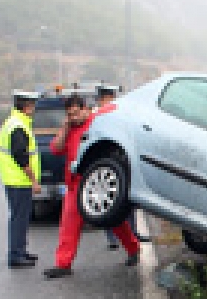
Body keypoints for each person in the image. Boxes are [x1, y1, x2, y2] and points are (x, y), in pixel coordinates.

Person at [43, 94, 139, 279]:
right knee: (68, 225)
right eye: (70, 115)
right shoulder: (70, 129)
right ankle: (63, 264)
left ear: (86, 109)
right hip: (74, 185)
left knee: (113, 221)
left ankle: (133, 249)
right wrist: (65, 127)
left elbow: (116, 110)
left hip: (97, 182)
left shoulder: (98, 123)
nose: (74, 117)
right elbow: (56, 148)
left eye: (77, 113)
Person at [94, 83, 152, 248]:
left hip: (121, 160)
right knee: (108, 201)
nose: (110, 101)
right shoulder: (97, 116)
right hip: (105, 163)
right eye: (107, 98)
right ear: (101, 99)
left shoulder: (118, 113)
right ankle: (112, 237)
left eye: (111, 98)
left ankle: (132, 232)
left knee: (127, 199)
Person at [0, 90, 42, 269]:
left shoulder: (16, 122)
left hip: (16, 180)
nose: (33, 108)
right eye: (32, 105)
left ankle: (21, 251)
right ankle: (16, 255)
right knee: (19, 218)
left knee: (21, 218)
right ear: (26, 106)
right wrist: (34, 181)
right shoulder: (17, 126)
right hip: (18, 180)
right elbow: (21, 157)